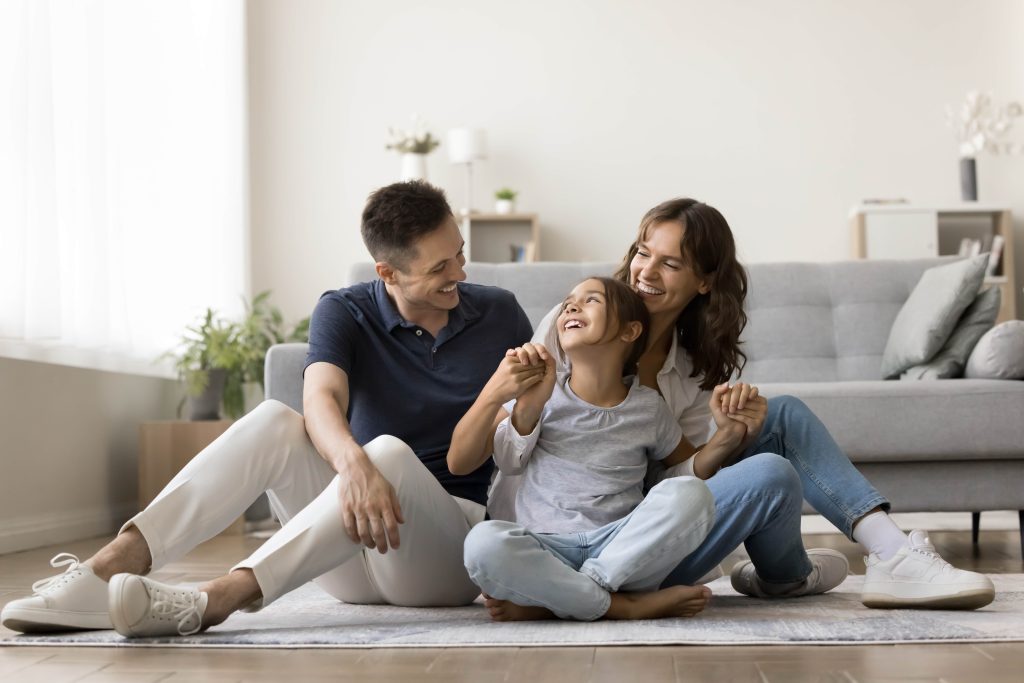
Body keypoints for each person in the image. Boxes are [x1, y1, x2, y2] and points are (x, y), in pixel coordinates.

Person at [0, 181, 534, 637]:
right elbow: (320, 398)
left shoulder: (498, 312)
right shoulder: (343, 310)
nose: (459, 274)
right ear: (387, 273)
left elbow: (537, 425)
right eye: (440, 266)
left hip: (441, 557)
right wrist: (353, 467)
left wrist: (372, 464)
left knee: (387, 454)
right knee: (275, 419)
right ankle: (105, 572)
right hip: (346, 550)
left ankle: (215, 599)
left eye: (459, 253)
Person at [491, 197, 995, 611]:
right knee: (769, 468)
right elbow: (521, 433)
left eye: (671, 263)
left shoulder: (689, 363)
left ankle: (890, 553)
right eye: (643, 252)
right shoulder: (577, 318)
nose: (646, 271)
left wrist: (727, 438)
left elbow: (666, 486)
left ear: (704, 281)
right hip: (555, 535)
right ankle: (793, 575)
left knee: (779, 429)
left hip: (643, 529)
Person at [450, 276, 847, 622]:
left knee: (687, 494)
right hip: (546, 546)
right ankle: (622, 606)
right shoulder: (543, 391)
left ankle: (573, 597)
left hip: (623, 549)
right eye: (569, 301)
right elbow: (509, 461)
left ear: (630, 331)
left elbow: (678, 477)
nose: (572, 304)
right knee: (483, 543)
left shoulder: (649, 406)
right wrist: (530, 403)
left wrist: (726, 438)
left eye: (591, 299)